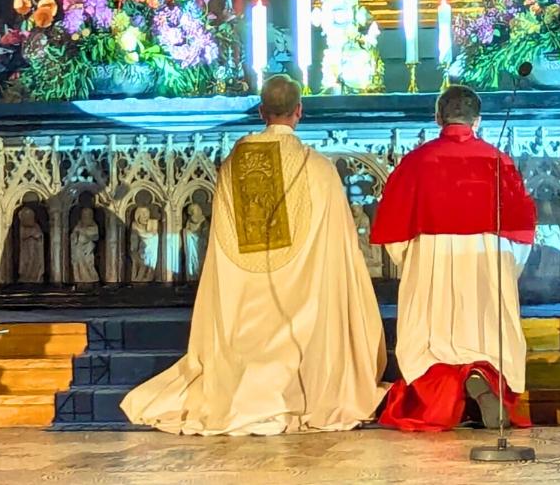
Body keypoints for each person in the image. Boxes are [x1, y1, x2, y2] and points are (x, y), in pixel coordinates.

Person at [121, 75, 385, 435]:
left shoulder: (233, 165)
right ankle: (300, 386)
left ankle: (241, 387)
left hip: (244, 295)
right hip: (302, 305)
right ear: (299, 112)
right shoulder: (320, 170)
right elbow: (339, 252)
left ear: (261, 111)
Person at [370, 84, 537, 432]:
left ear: (437, 118)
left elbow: (396, 236)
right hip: (487, 259)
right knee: (486, 330)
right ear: (478, 120)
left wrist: (414, 264)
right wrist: (506, 268)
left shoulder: (416, 162)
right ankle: (481, 376)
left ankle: (444, 393)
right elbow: (521, 233)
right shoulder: (498, 160)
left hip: (431, 259)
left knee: (431, 339)